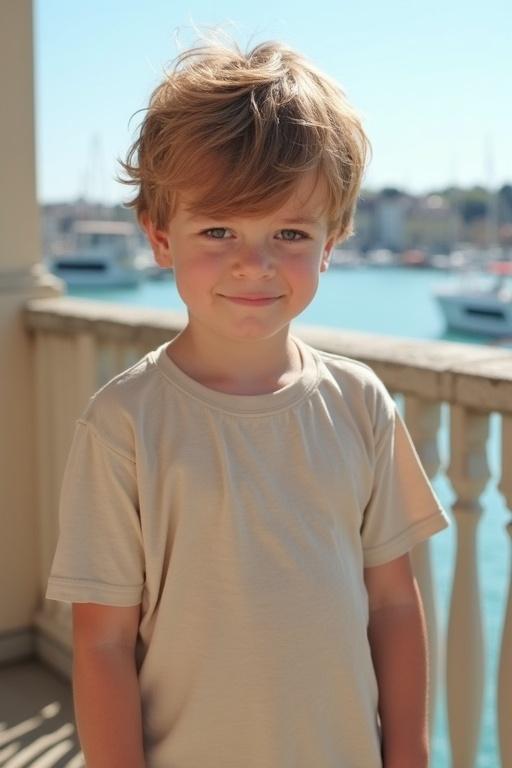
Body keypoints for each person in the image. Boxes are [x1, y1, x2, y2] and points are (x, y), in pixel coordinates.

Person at [46, 38, 450, 768]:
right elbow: (102, 643)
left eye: (290, 232)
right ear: (161, 237)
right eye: (219, 230)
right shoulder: (124, 425)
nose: (254, 263)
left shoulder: (360, 404)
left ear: (331, 244)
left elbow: (393, 603)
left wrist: (411, 754)